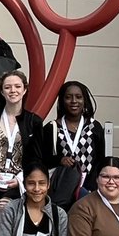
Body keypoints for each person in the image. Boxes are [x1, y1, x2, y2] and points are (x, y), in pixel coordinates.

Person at [0, 70, 43, 212]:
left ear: (24, 90)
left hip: (18, 181)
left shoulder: (34, 121)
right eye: (8, 87)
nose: (13, 91)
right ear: (2, 91)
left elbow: (36, 158)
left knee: (5, 207)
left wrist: (20, 179)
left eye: (17, 87)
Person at [43, 80, 106, 209]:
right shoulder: (52, 128)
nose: (73, 101)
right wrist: (59, 160)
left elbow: (100, 160)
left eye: (78, 97)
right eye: (68, 97)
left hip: (88, 188)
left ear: (84, 100)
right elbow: (43, 159)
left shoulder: (94, 127)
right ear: (62, 101)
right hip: (62, 189)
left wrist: (92, 186)